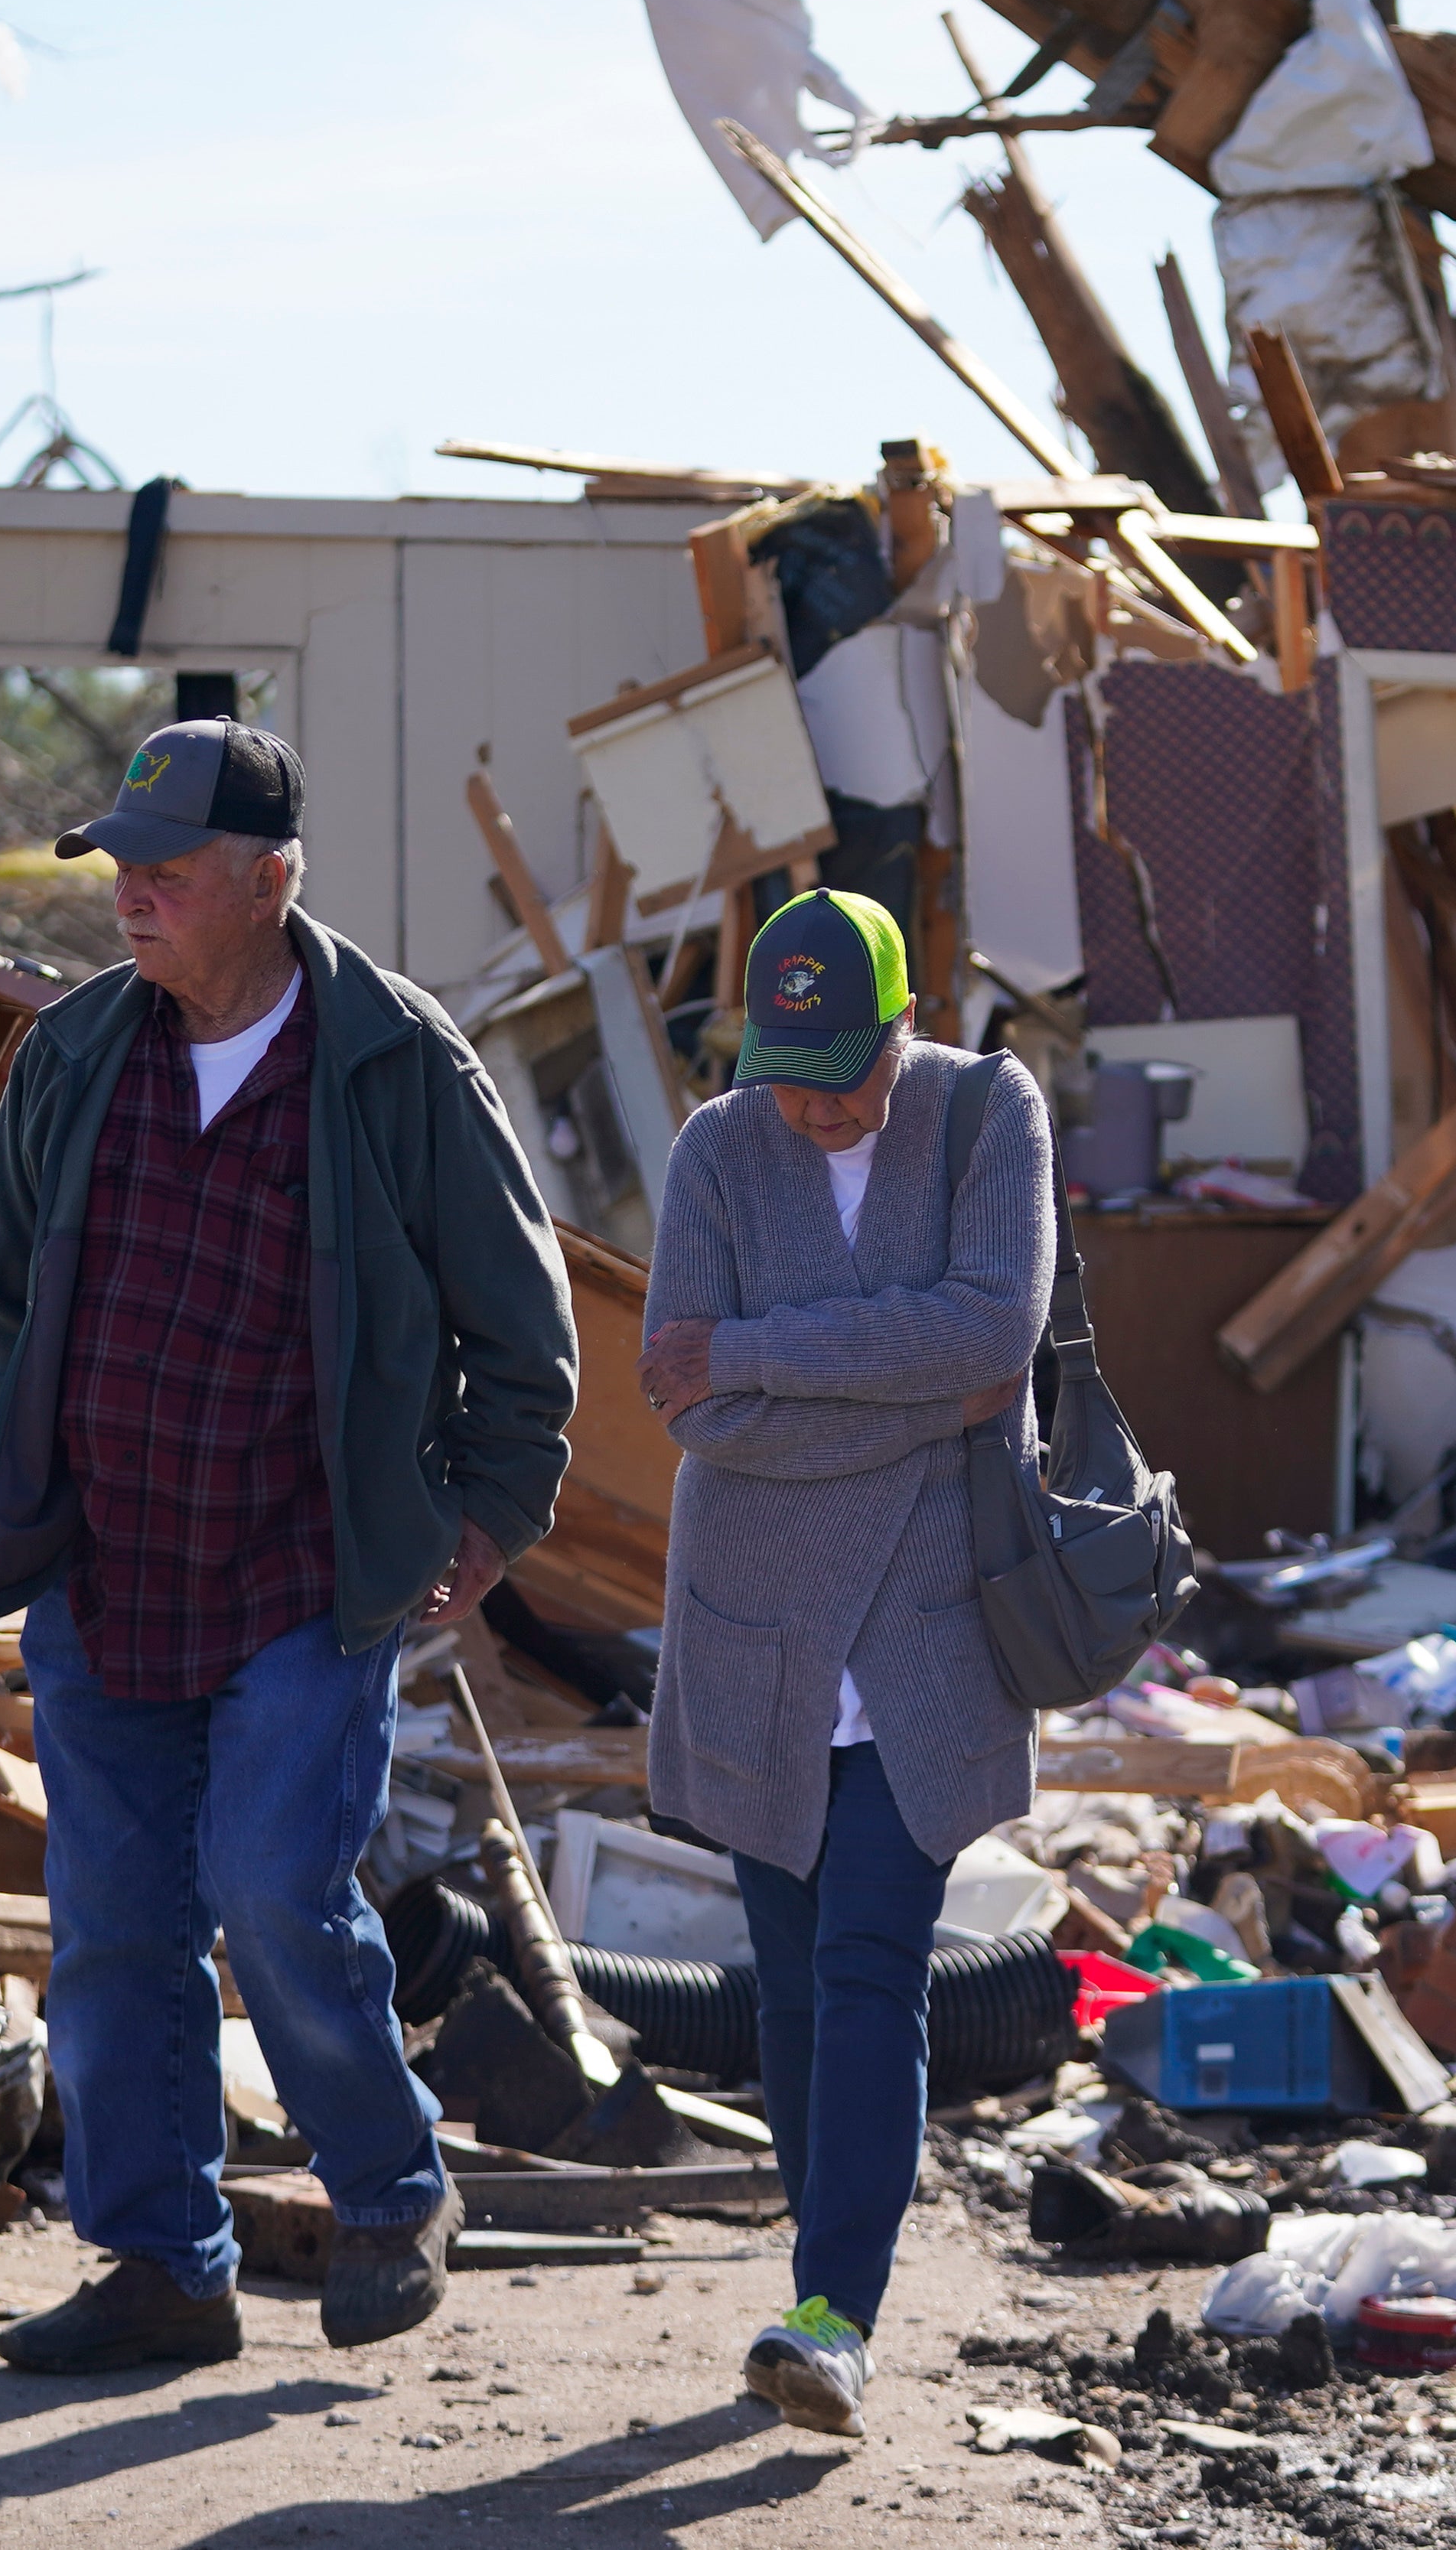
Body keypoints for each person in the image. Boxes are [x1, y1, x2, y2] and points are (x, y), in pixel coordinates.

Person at [0, 718, 579, 2373]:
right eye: (123, 871)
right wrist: (45, 1445)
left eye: (168, 874)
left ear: (270, 880)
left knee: (270, 1888)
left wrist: (494, 1509)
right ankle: (165, 2265)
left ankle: (388, 2191)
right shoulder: (78, 1051)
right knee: (108, 1925)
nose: (133, 901)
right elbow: (0, 1299)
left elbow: (522, 1326)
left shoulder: (396, 1063)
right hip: (109, 1567)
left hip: (306, 1569)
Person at [636, 887, 1051, 2438]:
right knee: (795, 1991)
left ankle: (834, 2313)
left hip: (930, 1635)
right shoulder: (719, 1148)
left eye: (838, 1067)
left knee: (875, 1968)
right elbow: (683, 1402)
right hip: (758, 1633)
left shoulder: (987, 1115)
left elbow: (996, 1328)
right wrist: (909, 1392)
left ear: (903, 1024)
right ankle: (817, 2293)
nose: (810, 1105)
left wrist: (761, 1353)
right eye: (783, 1069)